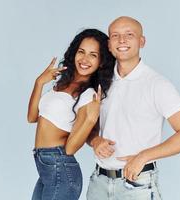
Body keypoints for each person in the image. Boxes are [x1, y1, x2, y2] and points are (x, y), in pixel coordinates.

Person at [86, 16, 180, 200]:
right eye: (115, 35)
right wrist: (96, 140)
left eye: (129, 34)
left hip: (137, 184)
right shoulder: (101, 82)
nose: (122, 40)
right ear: (108, 44)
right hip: (98, 183)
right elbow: (89, 128)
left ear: (142, 41)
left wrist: (143, 157)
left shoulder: (157, 85)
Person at [27, 29, 115, 200]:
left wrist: (90, 119)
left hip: (61, 168)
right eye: (81, 52)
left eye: (93, 55)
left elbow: (71, 148)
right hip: (46, 167)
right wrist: (39, 82)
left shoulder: (89, 95)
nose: (84, 59)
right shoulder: (62, 83)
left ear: (101, 62)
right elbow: (32, 117)